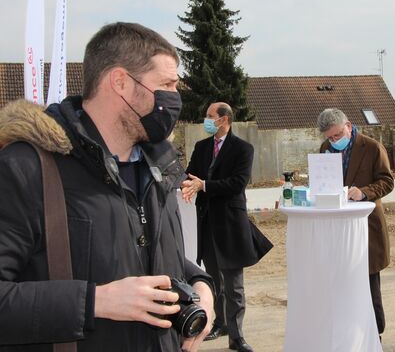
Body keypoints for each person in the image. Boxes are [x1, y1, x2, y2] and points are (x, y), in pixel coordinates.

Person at [0, 22, 214, 352]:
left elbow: (145, 255)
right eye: (167, 85)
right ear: (120, 83)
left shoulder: (158, 166)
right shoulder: (26, 168)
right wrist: (95, 301)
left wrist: (201, 284)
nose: (175, 99)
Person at [181, 102, 273, 352]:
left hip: (231, 225)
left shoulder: (243, 149)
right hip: (208, 223)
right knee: (214, 281)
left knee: (234, 285)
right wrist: (184, 184)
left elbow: (237, 183)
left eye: (210, 116)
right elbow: (191, 175)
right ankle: (220, 324)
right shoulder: (201, 147)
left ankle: (237, 336)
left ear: (224, 120)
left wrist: (205, 186)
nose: (206, 120)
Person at [316, 108, 394, 338]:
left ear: (348, 125)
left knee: (369, 284)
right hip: (336, 229)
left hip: (366, 226)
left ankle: (375, 334)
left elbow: (387, 181)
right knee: (341, 285)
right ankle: (347, 332)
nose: (333, 141)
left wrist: (364, 192)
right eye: (329, 138)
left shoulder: (371, 147)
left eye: (337, 135)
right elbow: (322, 180)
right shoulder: (325, 149)